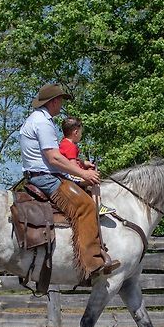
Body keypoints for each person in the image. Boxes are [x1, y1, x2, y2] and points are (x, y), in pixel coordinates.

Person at [19, 83, 119, 278]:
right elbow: (54, 158)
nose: (62, 105)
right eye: (61, 101)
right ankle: (91, 263)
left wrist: (81, 163)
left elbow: (57, 156)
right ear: (54, 101)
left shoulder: (36, 119)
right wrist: (84, 174)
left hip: (42, 175)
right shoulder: (43, 123)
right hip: (45, 178)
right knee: (85, 206)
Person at [59, 117, 115, 216]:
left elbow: (72, 159)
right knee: (94, 179)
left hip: (65, 175)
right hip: (70, 176)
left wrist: (85, 163)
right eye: (81, 133)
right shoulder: (71, 146)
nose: (81, 135)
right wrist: (85, 173)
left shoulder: (64, 143)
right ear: (75, 132)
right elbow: (72, 166)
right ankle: (98, 205)